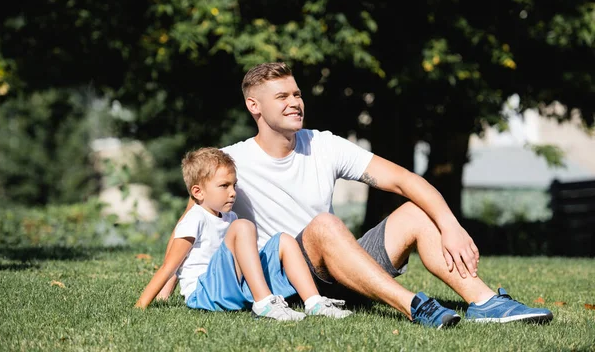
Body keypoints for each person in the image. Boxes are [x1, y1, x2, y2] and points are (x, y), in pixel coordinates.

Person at [162, 62, 553, 328]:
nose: (295, 102)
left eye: (296, 94)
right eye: (281, 97)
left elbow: (403, 180)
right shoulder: (233, 161)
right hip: (293, 281)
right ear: (254, 106)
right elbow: (191, 223)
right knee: (324, 224)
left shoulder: (324, 145)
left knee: (415, 213)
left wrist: (449, 225)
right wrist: (168, 284)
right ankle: (414, 306)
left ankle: (485, 302)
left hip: (341, 265)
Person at [135, 147, 352, 321]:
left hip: (232, 286)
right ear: (198, 192)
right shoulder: (194, 219)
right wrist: (141, 305)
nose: (232, 192)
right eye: (224, 186)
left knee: (283, 240)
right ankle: (264, 303)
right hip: (205, 293)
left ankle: (314, 302)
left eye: (234, 185)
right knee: (244, 226)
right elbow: (169, 267)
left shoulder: (230, 218)